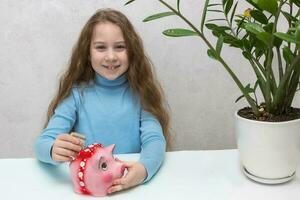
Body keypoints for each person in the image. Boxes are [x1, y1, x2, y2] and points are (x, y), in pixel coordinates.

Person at [34, 8, 170, 194]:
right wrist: (53, 150)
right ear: (87, 53)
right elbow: (43, 143)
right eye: (100, 47)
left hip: (133, 189)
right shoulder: (76, 94)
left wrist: (143, 170)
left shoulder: (141, 93)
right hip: (88, 193)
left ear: (132, 52)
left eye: (120, 47)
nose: (111, 56)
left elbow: (155, 140)